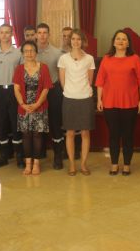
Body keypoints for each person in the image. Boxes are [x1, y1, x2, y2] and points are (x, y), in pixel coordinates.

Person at [96, 30, 140, 176]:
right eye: (118, 38)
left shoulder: (135, 59)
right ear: (114, 42)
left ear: (128, 43)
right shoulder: (106, 59)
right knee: (114, 135)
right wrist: (99, 99)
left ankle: (127, 164)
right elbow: (100, 81)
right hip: (110, 102)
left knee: (128, 135)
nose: (121, 41)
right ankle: (114, 164)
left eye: (124, 39)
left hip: (130, 102)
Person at [58, 29, 96, 176]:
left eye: (78, 39)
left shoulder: (89, 59)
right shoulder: (63, 58)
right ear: (70, 41)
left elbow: (90, 80)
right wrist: (71, 91)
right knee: (70, 133)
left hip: (85, 98)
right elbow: (62, 81)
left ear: (83, 41)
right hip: (69, 98)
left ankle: (84, 164)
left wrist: (82, 91)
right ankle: (72, 164)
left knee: (85, 132)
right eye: (73, 39)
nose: (76, 42)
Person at [13, 41, 53, 175]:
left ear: (36, 52)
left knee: (37, 135)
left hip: (39, 106)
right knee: (26, 135)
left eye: (32, 50)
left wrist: (36, 104)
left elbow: (46, 88)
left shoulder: (44, 67)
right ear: (22, 53)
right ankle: (28, 163)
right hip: (24, 107)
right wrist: (23, 105)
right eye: (26, 51)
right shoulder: (19, 69)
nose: (29, 53)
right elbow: (16, 89)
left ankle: (36, 163)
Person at [0, 24, 23, 168]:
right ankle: (3, 155)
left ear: (11, 34)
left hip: (14, 91)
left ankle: (19, 156)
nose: (3, 35)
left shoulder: (18, 53)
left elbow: (22, 73)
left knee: (16, 124)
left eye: (7, 32)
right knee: (1, 123)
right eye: (1, 33)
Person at [36, 23, 65, 168]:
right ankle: (39, 152)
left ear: (49, 34)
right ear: (36, 35)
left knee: (55, 123)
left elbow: (61, 74)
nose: (42, 35)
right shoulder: (30, 51)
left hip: (53, 91)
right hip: (36, 92)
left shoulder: (57, 53)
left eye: (45, 33)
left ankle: (58, 156)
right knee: (38, 123)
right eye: (39, 32)